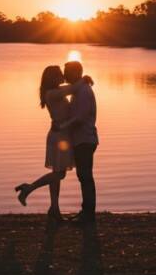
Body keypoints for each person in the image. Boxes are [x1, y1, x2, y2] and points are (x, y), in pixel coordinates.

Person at [14, 65, 93, 221]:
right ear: (52, 77)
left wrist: (82, 82)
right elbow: (72, 89)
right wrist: (84, 79)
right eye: (58, 74)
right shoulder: (52, 93)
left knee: (56, 173)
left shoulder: (55, 91)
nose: (62, 76)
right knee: (59, 173)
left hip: (61, 135)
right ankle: (28, 188)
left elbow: (71, 87)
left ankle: (54, 209)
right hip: (58, 136)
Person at [63, 61, 99, 225]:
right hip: (81, 139)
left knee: (85, 176)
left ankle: (88, 214)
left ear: (76, 72)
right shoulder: (78, 90)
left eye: (66, 72)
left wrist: (62, 126)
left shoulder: (83, 91)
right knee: (83, 176)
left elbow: (81, 118)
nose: (64, 75)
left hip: (85, 139)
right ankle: (86, 212)